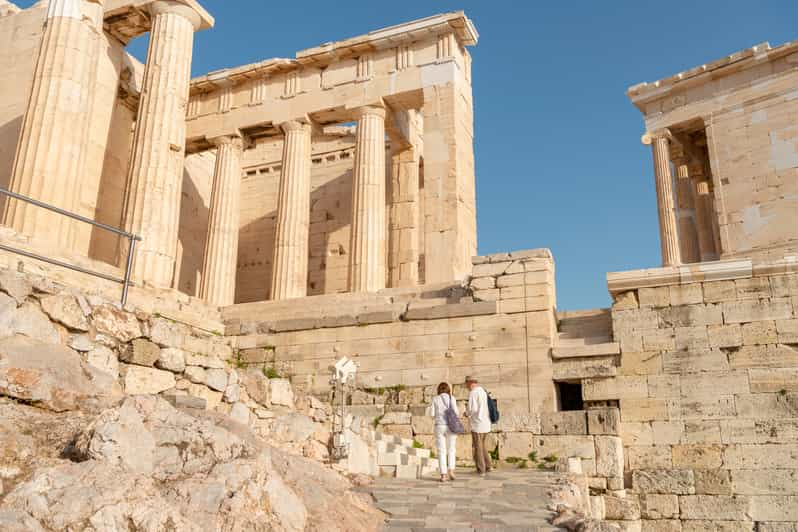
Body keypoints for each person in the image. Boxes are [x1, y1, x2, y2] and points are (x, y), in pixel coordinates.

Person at [429, 381, 459, 482]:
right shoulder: (452, 398)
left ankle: (443, 475)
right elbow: (456, 412)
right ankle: (451, 471)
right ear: (448, 390)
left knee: (441, 450)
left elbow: (432, 414)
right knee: (451, 449)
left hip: (439, 426)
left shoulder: (435, 399)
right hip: (451, 426)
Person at [465, 375, 492, 476]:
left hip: (478, 423)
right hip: (486, 422)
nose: (466, 386)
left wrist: (466, 413)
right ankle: (488, 466)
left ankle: (481, 469)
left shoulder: (473, 392)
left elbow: (473, 409)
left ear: (469, 383)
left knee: (478, 446)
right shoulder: (483, 391)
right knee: (482, 445)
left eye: (466, 384)